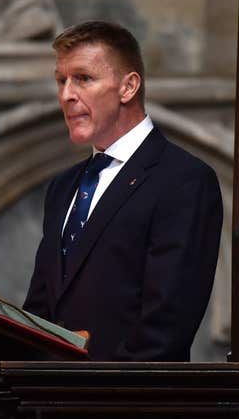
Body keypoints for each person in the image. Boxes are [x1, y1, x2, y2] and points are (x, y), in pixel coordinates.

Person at [23, 21, 223, 361]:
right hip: (48, 400)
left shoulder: (184, 179)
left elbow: (166, 326)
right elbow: (40, 312)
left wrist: (99, 394)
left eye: (83, 79)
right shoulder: (63, 186)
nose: (66, 94)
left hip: (130, 398)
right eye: (61, 80)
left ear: (128, 87)